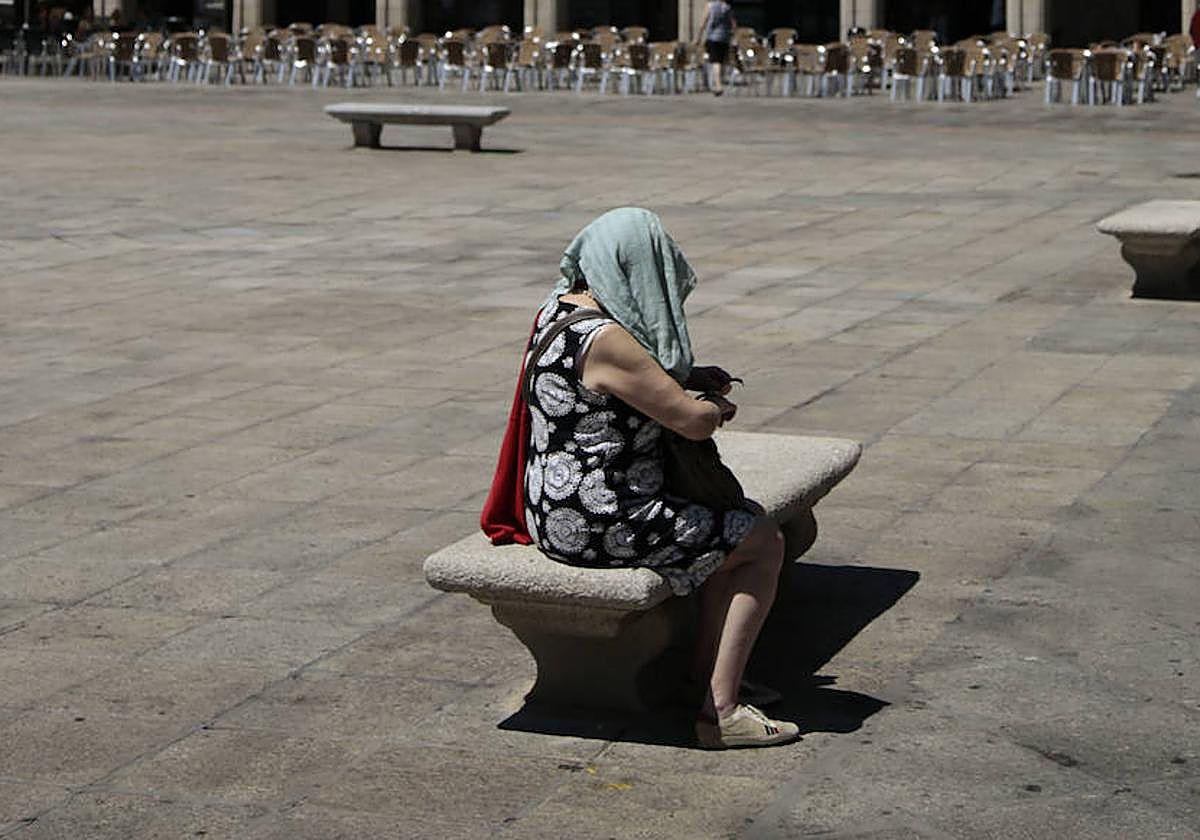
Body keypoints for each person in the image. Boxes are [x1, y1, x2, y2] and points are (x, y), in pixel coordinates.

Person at [492, 208, 799, 749]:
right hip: (601, 519)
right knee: (762, 541)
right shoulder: (608, 338)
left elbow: (625, 388)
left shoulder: (558, 309)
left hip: (551, 504)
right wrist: (713, 407)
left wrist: (684, 379)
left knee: (727, 535)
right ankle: (720, 712)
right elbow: (693, 424)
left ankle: (704, 678)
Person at [695, 0, 735, 96]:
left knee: (715, 62)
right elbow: (732, 24)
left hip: (713, 37)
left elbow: (703, 23)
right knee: (721, 61)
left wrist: (698, 37)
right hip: (724, 37)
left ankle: (718, 85)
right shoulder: (727, 7)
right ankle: (718, 82)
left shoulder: (710, 6)